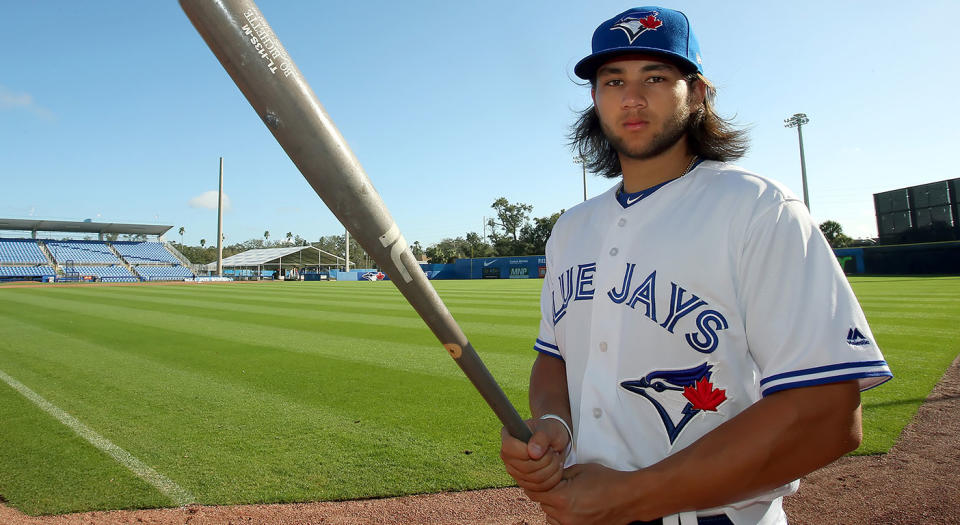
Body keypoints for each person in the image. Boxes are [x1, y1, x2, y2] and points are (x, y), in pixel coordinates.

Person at [499, 6, 892, 525]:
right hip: (583, 510)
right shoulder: (571, 228)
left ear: (698, 92)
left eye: (655, 78)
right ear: (595, 99)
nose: (632, 98)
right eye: (613, 81)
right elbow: (555, 358)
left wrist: (630, 496)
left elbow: (828, 415)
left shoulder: (757, 209)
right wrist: (554, 422)